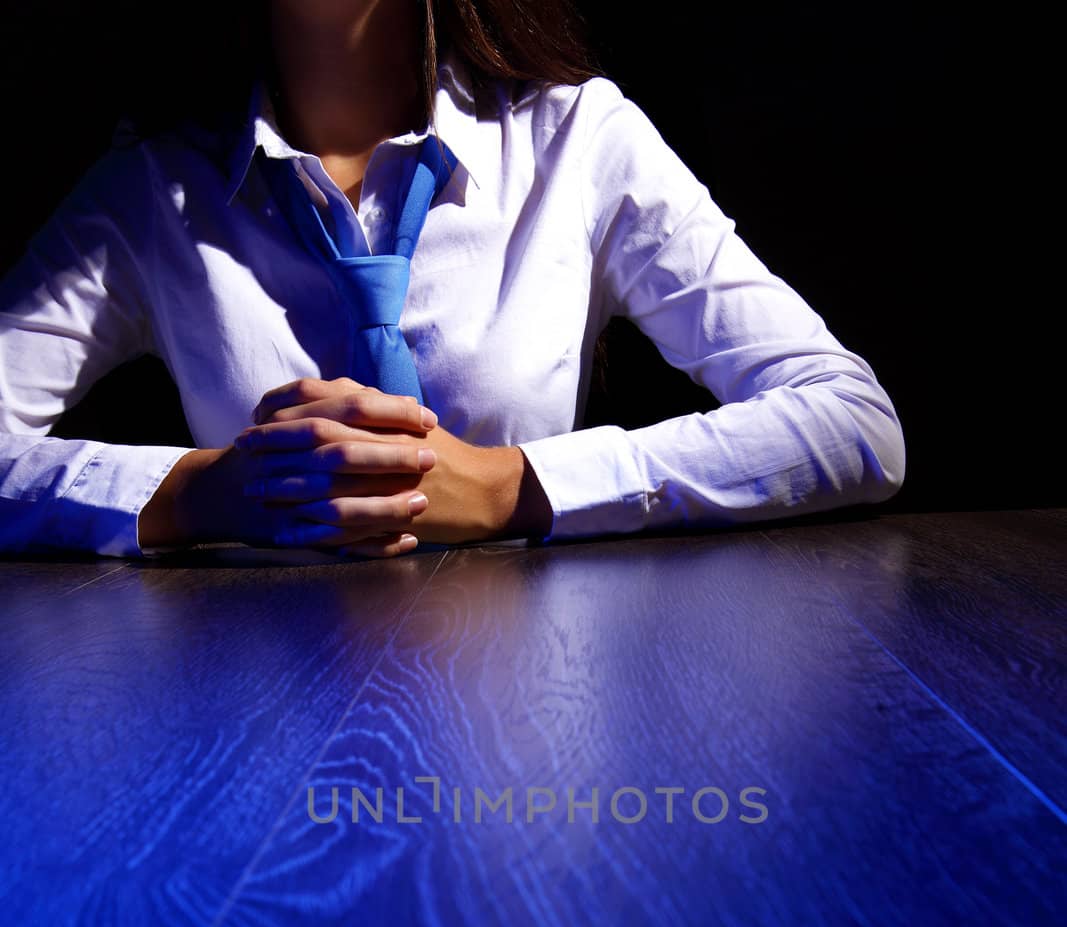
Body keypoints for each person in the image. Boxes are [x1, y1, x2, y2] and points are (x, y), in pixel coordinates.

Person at [0, 0, 905, 562]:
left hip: (528, 718)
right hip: (260, 725)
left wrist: (517, 487)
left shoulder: (577, 141)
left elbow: (852, 424)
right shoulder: (152, 188)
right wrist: (197, 496)